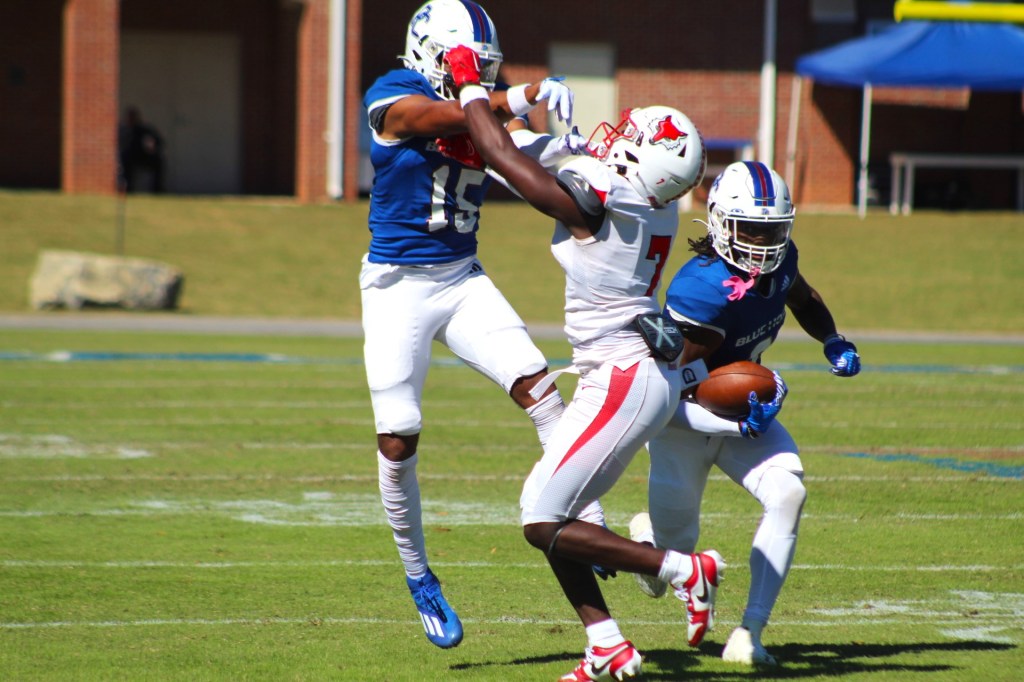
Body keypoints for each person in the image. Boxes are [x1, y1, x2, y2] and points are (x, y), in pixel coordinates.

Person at [447, 44, 727, 681]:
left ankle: (683, 568)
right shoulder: (648, 200)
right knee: (549, 511)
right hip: (626, 371)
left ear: (642, 160)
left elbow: (501, 159)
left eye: (631, 136)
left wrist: (470, 87)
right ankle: (606, 643)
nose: (616, 136)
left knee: (541, 517)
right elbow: (516, 152)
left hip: (623, 377)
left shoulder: (606, 198)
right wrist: (519, 111)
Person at [361, 0, 587, 650]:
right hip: (397, 288)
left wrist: (579, 151)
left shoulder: (480, 100)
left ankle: (588, 518)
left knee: (541, 390)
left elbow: (513, 146)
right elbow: (438, 118)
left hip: (461, 279)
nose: (476, 75)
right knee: (398, 439)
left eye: (483, 67)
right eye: (466, 63)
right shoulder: (394, 93)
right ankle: (419, 576)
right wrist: (519, 94)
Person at [628, 160, 862, 666]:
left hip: (741, 413)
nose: (761, 243)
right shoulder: (701, 289)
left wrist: (832, 338)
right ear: (718, 221)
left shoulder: (780, 261)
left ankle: (749, 635)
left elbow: (803, 296)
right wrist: (735, 421)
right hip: (681, 424)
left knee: (788, 492)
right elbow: (662, 396)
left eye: (771, 230)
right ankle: (647, 542)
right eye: (748, 229)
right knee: (669, 559)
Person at [117, 106, 165, 193]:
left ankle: (157, 190)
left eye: (133, 117)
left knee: (158, 161)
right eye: (129, 117)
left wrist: (152, 145)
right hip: (128, 157)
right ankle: (128, 190)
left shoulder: (144, 130)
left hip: (142, 156)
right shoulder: (122, 130)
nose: (131, 119)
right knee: (124, 160)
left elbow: (159, 142)